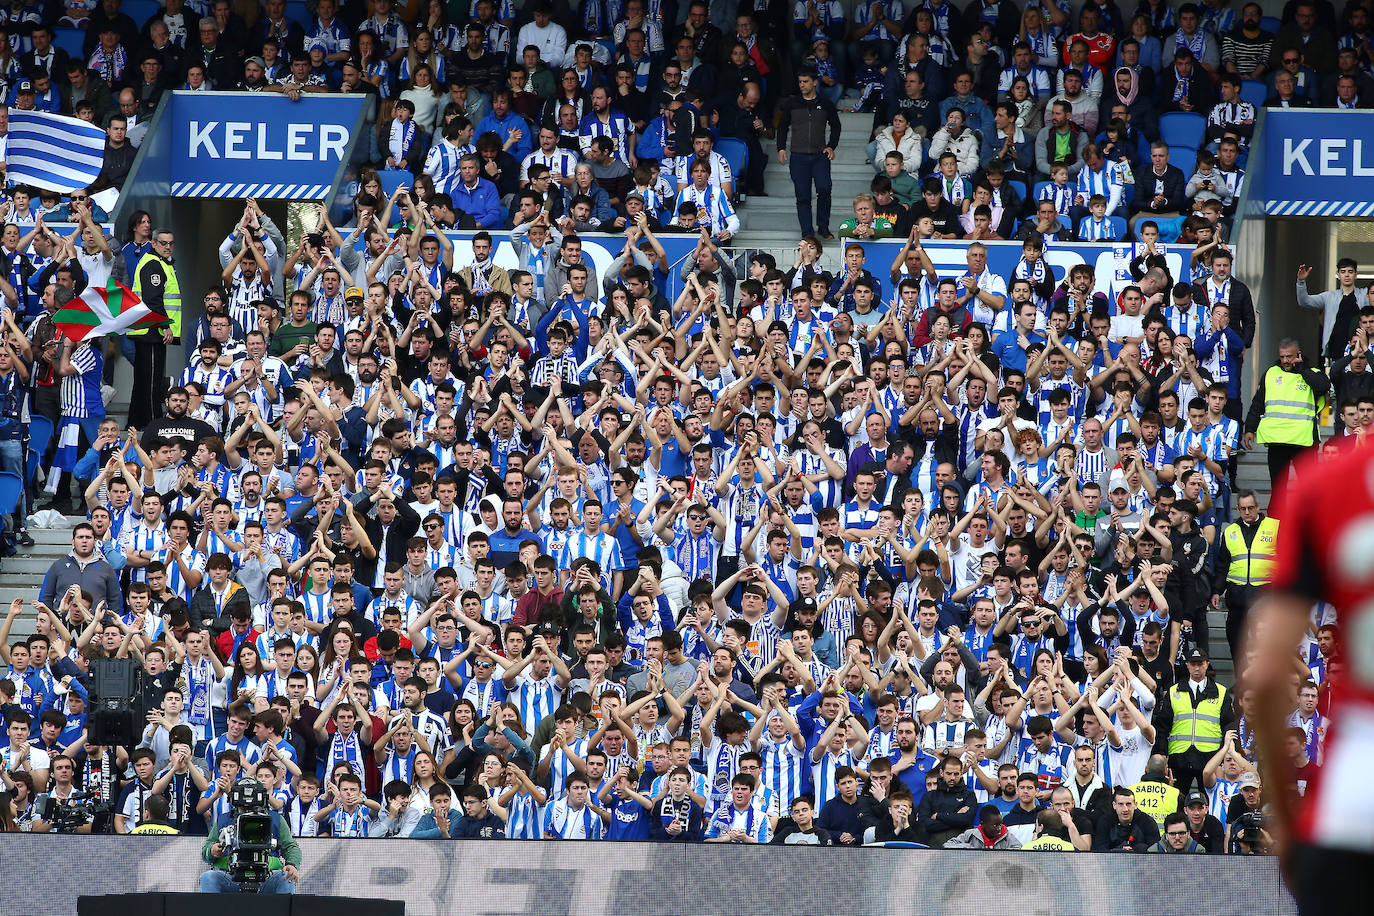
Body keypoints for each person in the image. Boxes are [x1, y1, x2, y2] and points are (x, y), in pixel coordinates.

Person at [1243, 337, 1331, 484]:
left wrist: (1302, 368)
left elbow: (1323, 386)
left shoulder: (1312, 372)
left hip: (1304, 441)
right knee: (1278, 489)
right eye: (1282, 356)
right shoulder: (1271, 374)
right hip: (1277, 440)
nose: (1285, 360)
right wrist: (1250, 428)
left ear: (1299, 355)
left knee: (1308, 488)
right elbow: (1257, 404)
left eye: (1289, 356)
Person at [199, 780, 301, 894]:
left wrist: (292, 865)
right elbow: (206, 850)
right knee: (208, 877)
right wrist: (212, 851)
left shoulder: (276, 819)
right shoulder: (223, 819)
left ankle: (284, 911)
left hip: (267, 875)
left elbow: (291, 846)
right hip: (231, 876)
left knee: (287, 876)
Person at [1212, 490, 1279, 657]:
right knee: (1236, 645)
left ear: (1258, 506)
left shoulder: (1275, 527)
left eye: (1250, 508)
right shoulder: (1230, 532)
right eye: (1243, 509)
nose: (1247, 512)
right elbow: (1222, 565)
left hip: (1264, 597)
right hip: (1237, 598)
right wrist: (1216, 591)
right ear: (1237, 509)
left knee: (1265, 646)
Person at [776, 67, 840, 240]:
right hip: (798, 156)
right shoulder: (792, 103)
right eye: (800, 82)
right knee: (803, 195)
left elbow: (836, 126)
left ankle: (823, 227)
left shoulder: (826, 103)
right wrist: (780, 147)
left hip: (820, 155)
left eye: (805, 81)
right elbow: (782, 126)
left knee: (825, 189)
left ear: (814, 82)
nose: (802, 85)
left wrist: (831, 146)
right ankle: (807, 232)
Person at [129, 227, 180, 430]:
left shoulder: (159, 263)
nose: (168, 247)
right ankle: (152, 425)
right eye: (163, 243)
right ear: (154, 243)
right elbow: (152, 300)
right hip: (151, 332)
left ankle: (136, 421)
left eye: (171, 243)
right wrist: (166, 326)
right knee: (151, 382)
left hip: (148, 331)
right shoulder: (153, 265)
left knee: (143, 381)